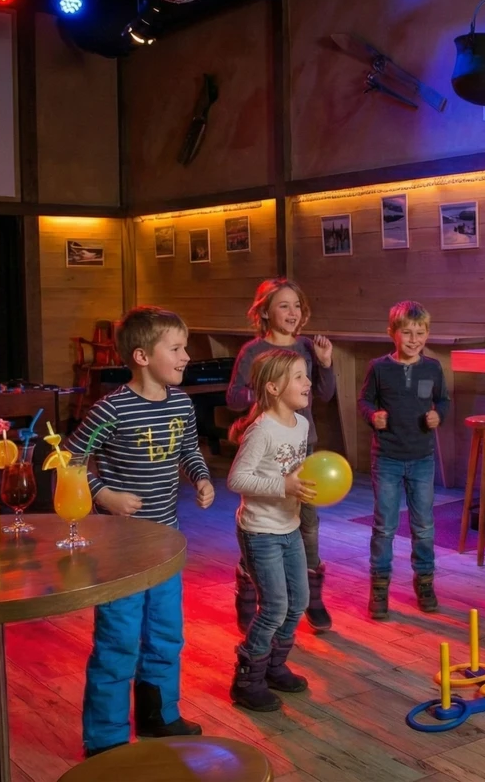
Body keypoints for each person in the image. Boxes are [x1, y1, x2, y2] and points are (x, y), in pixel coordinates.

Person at [66, 306, 215, 758]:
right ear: (142, 356)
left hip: (166, 544)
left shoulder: (183, 403)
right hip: (120, 550)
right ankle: (106, 739)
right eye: (176, 348)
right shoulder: (110, 409)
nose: (186, 356)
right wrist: (104, 495)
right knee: (117, 641)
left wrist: (203, 477)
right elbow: (67, 463)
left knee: (167, 633)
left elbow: (190, 449)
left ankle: (158, 716)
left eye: (184, 347)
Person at [227, 278, 336, 633]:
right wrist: (265, 396)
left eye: (297, 306)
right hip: (268, 449)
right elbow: (233, 397)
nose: (293, 312)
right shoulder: (253, 351)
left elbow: (323, 392)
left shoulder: (307, 346)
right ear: (264, 312)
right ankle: (248, 590)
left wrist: (325, 362)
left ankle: (312, 598)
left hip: (303, 447)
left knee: (308, 524)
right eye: (284, 305)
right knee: (264, 521)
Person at [226, 350, 314, 712]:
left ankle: (275, 667)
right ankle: (247, 678)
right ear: (274, 387)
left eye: (306, 376)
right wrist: (284, 486)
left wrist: (306, 486)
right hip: (260, 530)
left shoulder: (302, 425)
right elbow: (236, 479)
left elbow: (298, 472)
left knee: (299, 603)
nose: (307, 382)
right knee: (275, 606)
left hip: (289, 526)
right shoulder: (261, 430)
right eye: (299, 377)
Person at [358, 301, 450, 619]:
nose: (413, 339)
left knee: (423, 526)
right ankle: (379, 589)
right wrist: (374, 415)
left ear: (427, 334)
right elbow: (365, 400)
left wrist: (439, 415)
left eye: (420, 333)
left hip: (422, 458)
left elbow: (443, 400)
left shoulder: (433, 368)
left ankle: (425, 583)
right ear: (392, 334)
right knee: (385, 526)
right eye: (407, 333)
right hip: (387, 458)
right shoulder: (379, 368)